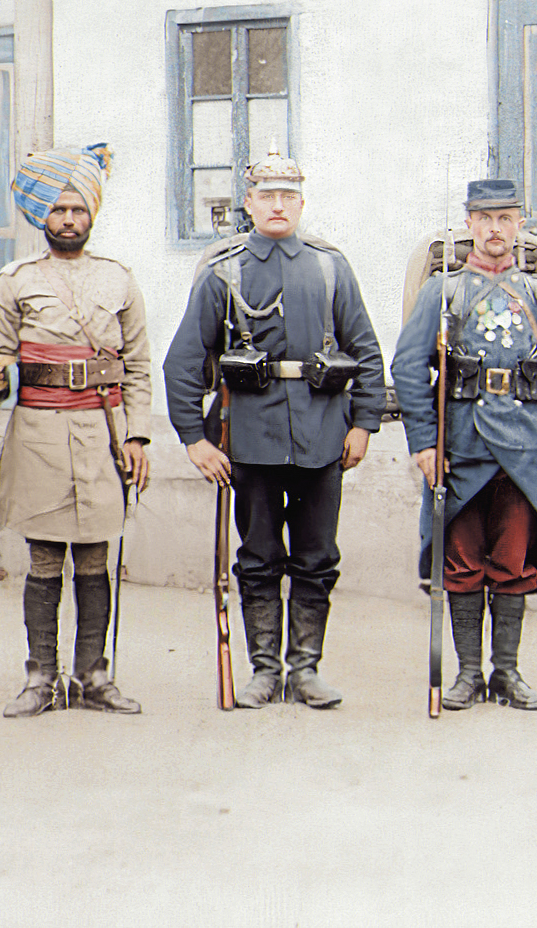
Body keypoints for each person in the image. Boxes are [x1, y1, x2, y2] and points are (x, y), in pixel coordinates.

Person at [164, 150, 385, 708]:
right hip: (250, 436)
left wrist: (364, 424)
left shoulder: (330, 266)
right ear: (249, 203)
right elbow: (185, 361)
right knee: (259, 555)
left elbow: (366, 351)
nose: (278, 205)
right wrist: (194, 437)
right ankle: (264, 670)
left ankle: (305, 669)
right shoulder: (225, 270)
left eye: (289, 195)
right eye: (268, 195)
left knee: (317, 555)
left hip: (323, 433)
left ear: (302, 203)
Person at [0, 144, 152, 717]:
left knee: (96, 556)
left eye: (78, 209)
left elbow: (141, 366)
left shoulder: (119, 279)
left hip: (102, 429)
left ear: (91, 214)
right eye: (58, 210)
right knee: (46, 557)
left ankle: (94, 677)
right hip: (41, 430)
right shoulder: (15, 280)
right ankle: (40, 678)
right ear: (41, 217)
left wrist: (137, 436)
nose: (68, 219)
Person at [393, 178, 537, 711]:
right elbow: (408, 368)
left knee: (513, 562)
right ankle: (468, 675)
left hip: (524, 448)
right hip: (462, 444)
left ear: (521, 224)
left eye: (506, 219)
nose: (496, 230)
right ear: (469, 225)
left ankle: (507, 673)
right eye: (485, 220)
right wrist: (424, 444)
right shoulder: (444, 291)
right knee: (460, 561)